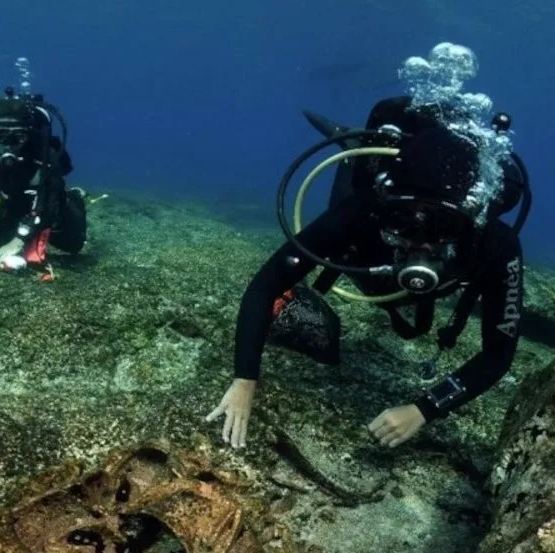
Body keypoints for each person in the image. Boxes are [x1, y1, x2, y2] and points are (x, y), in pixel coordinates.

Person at [207, 95, 530, 449]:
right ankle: (359, 149)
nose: (419, 238)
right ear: (387, 205)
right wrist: (244, 380)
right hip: (367, 253)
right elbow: (265, 286)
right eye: (403, 219)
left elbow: (498, 354)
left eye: (440, 224)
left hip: (407, 268)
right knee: (359, 236)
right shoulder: (362, 213)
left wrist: (423, 409)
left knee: (414, 326)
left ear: (471, 215)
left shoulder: (494, 244)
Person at [0, 88, 87, 274]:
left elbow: (50, 200)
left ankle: (75, 197)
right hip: (14, 206)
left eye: (18, 136)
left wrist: (20, 239)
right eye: (1, 135)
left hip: (44, 207)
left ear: (28, 133)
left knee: (73, 245)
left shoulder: (44, 154)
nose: (9, 144)